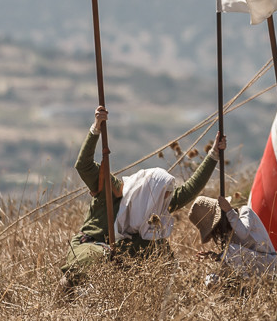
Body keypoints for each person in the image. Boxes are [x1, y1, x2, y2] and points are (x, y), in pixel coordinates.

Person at [60, 106, 225, 287]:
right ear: (150, 192)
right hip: (89, 247)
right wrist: (96, 128)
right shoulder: (115, 190)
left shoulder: (156, 204)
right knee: (96, 259)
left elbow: (190, 189)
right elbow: (83, 166)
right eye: (165, 195)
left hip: (120, 256)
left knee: (158, 251)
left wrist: (214, 155)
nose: (167, 201)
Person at [189, 193, 277, 281]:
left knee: (230, 250)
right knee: (212, 278)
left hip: (268, 264)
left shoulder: (245, 212)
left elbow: (243, 233)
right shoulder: (227, 234)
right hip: (254, 269)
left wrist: (229, 211)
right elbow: (234, 260)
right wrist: (215, 257)